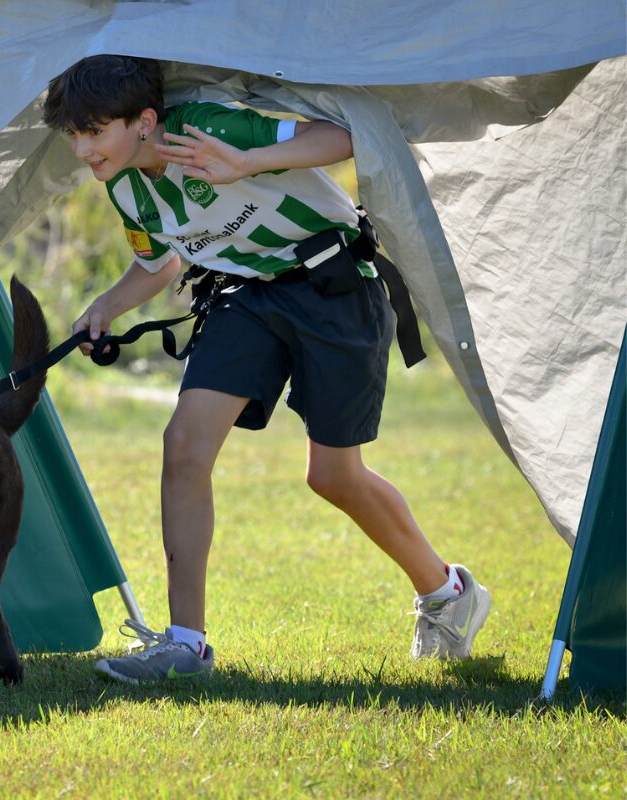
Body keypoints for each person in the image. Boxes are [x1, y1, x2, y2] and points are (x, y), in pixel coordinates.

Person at [42, 55, 491, 684]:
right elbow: (159, 264)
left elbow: (348, 133)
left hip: (334, 286)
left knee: (333, 477)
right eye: (74, 137)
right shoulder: (124, 186)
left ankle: (449, 591)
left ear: (144, 121)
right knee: (184, 445)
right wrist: (102, 308)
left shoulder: (205, 127)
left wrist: (246, 162)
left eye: (95, 132)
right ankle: (185, 644)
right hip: (245, 297)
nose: (84, 150)